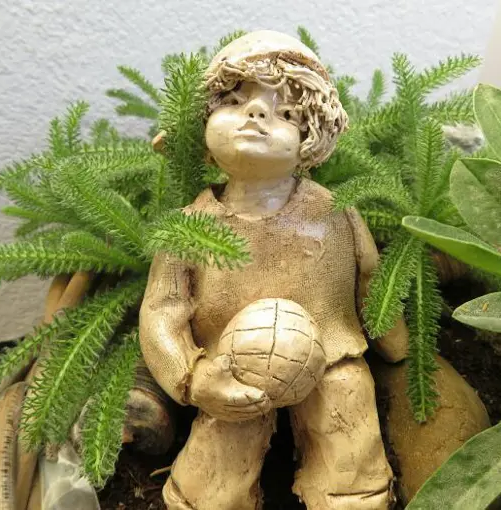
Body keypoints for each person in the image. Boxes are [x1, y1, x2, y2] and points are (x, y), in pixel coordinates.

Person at [140, 30, 409, 510]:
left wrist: (395, 343)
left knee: (347, 404)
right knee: (226, 437)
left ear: (311, 139)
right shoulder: (188, 229)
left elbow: (373, 280)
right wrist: (192, 377)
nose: (256, 114)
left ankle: (353, 495)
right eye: (234, 102)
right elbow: (163, 310)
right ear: (203, 124)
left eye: (285, 113)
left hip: (329, 356)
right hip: (230, 365)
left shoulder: (336, 214)